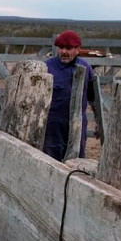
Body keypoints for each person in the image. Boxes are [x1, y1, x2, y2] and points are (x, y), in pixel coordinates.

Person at [42, 30, 97, 161]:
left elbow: (93, 97)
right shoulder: (47, 67)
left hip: (78, 125)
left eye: (69, 48)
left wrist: (98, 122)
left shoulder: (86, 67)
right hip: (52, 127)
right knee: (51, 162)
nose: (64, 52)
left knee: (76, 163)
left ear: (78, 49)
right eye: (61, 48)